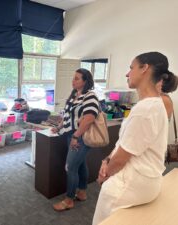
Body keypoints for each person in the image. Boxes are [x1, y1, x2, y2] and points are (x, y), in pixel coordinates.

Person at [93, 52, 177, 225]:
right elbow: (126, 143)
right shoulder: (155, 104)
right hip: (147, 180)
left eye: (131, 68)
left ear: (144, 68)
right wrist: (107, 159)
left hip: (130, 184)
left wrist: (105, 175)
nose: (127, 73)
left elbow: (123, 157)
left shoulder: (145, 109)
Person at [52, 68, 99, 211]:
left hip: (79, 136)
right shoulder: (74, 94)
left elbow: (90, 118)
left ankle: (69, 200)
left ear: (85, 81)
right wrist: (59, 127)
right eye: (73, 78)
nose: (73, 80)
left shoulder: (90, 96)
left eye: (77, 78)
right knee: (80, 164)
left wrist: (75, 136)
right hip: (70, 134)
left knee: (71, 167)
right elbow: (67, 115)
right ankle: (82, 192)